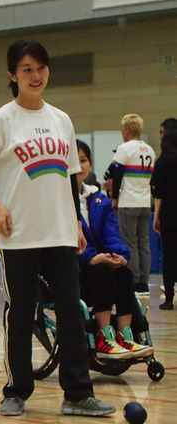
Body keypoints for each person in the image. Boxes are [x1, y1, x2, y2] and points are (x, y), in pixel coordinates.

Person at [0, 38, 114, 418]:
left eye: (41, 68)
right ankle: (16, 390)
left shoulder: (61, 120)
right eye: (27, 69)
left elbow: (70, 177)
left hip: (60, 233)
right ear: (12, 75)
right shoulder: (0, 120)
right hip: (17, 237)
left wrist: (77, 221)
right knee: (21, 314)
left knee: (71, 312)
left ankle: (78, 394)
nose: (36, 76)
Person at [75, 140, 152, 358]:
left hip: (102, 266)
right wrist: (91, 258)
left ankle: (125, 335)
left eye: (84, 160)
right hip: (77, 271)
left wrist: (121, 255)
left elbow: (112, 234)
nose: (80, 166)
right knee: (103, 271)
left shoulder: (99, 198)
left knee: (123, 272)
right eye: (75, 161)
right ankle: (104, 336)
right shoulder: (58, 200)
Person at [109, 114, 155, 297]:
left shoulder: (125, 148)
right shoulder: (150, 150)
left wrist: (114, 197)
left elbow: (117, 174)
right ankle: (145, 280)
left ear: (127, 129)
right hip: (145, 202)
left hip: (128, 201)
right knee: (144, 242)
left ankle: (135, 281)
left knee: (130, 242)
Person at [152, 128, 177, 310]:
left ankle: (169, 298)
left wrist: (157, 216)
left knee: (169, 256)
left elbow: (158, 192)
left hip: (169, 213)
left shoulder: (162, 162)